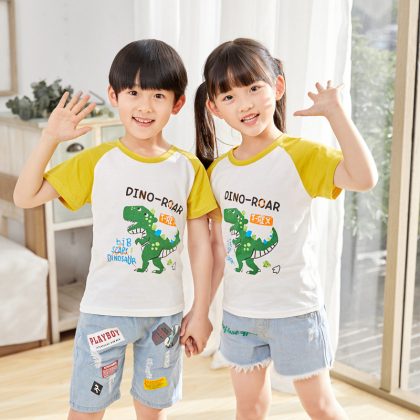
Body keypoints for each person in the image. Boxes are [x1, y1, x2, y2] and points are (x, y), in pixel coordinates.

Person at [14, 39, 217, 420]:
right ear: (114, 95)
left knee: (153, 410)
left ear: (176, 103)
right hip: (104, 311)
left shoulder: (188, 169)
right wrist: (49, 138)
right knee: (86, 410)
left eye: (158, 95)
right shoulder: (98, 160)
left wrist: (201, 310)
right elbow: (25, 196)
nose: (145, 106)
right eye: (133, 93)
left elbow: (201, 246)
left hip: (164, 315)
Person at [195, 38, 378, 420]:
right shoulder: (218, 173)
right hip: (240, 314)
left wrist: (336, 114)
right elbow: (217, 249)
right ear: (214, 108)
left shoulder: (301, 155)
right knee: (249, 408)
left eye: (253, 88)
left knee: (320, 406)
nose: (244, 104)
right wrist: (201, 311)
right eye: (228, 96)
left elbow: (363, 178)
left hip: (295, 311)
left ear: (277, 87)